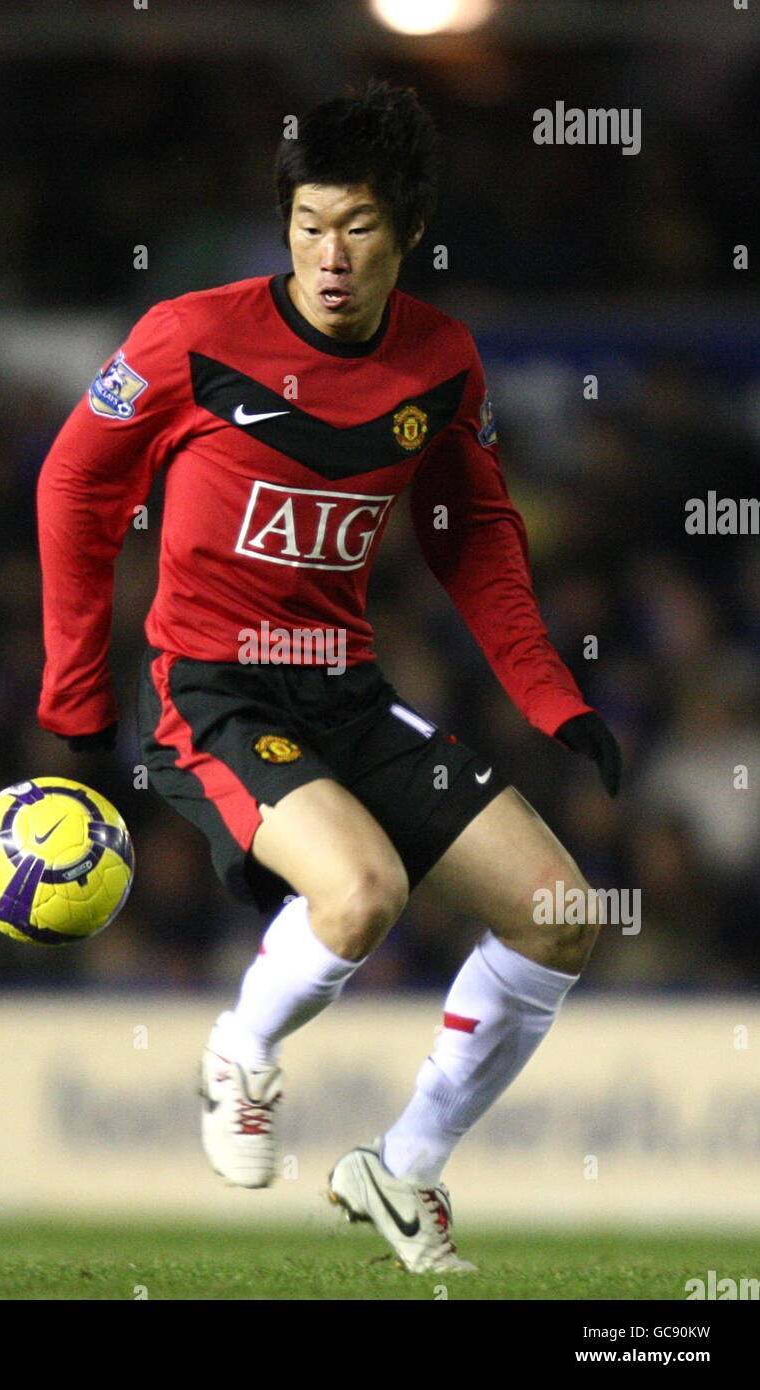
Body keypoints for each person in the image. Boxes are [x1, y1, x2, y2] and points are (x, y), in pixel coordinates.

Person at [36, 80, 621, 1274]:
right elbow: (76, 485)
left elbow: (473, 533)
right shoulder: (188, 336)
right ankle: (242, 1055)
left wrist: (549, 693)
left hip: (343, 689)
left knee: (562, 914)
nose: (328, 255)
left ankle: (401, 1170)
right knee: (357, 895)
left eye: (356, 226)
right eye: (307, 223)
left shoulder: (441, 363)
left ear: (406, 234)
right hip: (210, 688)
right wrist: (73, 687)